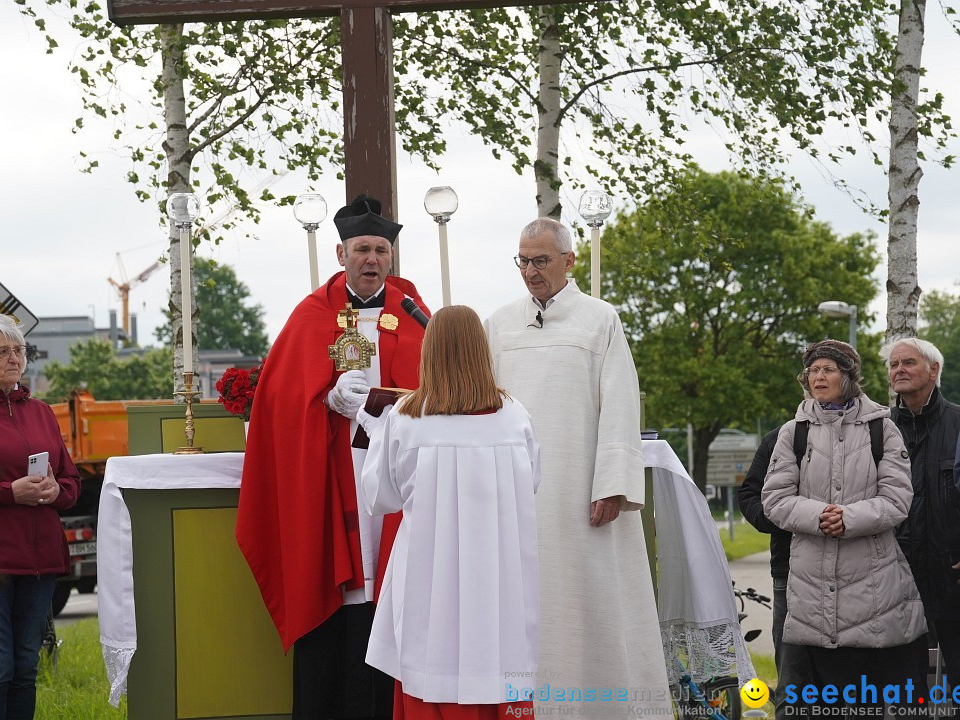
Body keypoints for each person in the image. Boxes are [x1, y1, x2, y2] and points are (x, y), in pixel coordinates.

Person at [236, 195, 430, 720]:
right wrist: (327, 398)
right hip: (333, 473)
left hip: (396, 479)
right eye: (363, 249)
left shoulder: (412, 312)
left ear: (392, 257)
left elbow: (437, 385)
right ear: (341, 252)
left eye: (382, 250)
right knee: (343, 598)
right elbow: (280, 399)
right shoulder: (312, 315)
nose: (373, 260)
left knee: (387, 589)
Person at [485, 217, 670, 719]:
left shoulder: (599, 319)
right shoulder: (498, 324)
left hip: (582, 497)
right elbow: (483, 407)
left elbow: (620, 404)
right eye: (522, 260)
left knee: (591, 605)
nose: (530, 271)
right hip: (518, 498)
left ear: (568, 261)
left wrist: (612, 483)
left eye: (540, 260)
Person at [359, 305, 540, 720]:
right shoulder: (516, 416)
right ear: (481, 350)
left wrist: (375, 431)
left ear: (430, 351)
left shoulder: (406, 420)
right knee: (500, 660)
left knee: (430, 663)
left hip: (431, 581)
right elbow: (531, 480)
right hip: (498, 581)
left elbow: (379, 497)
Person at [762, 340, 927, 711]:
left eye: (828, 369)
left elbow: (898, 499)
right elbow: (773, 499)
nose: (818, 377)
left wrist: (848, 518)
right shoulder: (793, 432)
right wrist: (819, 516)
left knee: (874, 703)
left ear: (849, 377)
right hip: (813, 593)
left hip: (875, 589)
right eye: (813, 371)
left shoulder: (881, 430)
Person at [0, 313, 81, 720]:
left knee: (26, 669)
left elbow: (71, 480)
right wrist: (10, 492)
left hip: (40, 558)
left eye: (19, 350)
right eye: (2, 351)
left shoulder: (41, 410)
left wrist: (55, 490)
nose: (14, 358)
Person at [883, 337, 960, 689]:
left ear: (934, 370)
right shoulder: (880, 429)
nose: (898, 370)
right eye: (893, 365)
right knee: (907, 688)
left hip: (957, 577)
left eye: (908, 362)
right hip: (897, 577)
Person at [736, 427, 810, 718]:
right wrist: (777, 519)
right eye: (812, 377)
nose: (819, 380)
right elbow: (749, 494)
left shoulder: (865, 432)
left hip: (852, 571)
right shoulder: (781, 437)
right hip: (789, 569)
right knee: (791, 672)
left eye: (828, 376)